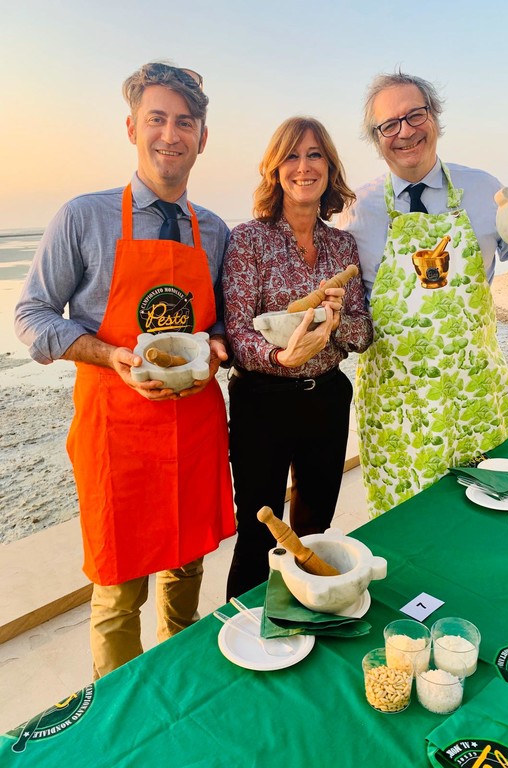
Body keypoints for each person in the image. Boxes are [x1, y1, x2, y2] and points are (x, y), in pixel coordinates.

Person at [14, 62, 236, 677]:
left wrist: (218, 346)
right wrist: (107, 354)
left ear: (202, 138)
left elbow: (218, 321)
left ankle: (179, 682)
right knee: (117, 591)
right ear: (132, 127)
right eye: (157, 119)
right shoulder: (83, 218)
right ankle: (118, 712)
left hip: (192, 428)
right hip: (116, 433)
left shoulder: (214, 231)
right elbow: (31, 316)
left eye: (185, 122)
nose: (171, 134)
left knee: (186, 569)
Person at [338, 71, 508, 517]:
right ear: (376, 138)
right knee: (406, 530)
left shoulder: (484, 190)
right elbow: (349, 311)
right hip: (397, 414)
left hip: (475, 402)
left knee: (478, 526)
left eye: (415, 115)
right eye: (390, 124)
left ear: (435, 117)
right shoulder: (357, 210)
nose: (405, 131)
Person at [223, 116, 373, 599]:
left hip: (326, 399)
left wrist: (336, 322)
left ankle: (308, 615)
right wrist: (280, 357)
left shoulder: (343, 245)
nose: (303, 167)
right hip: (262, 402)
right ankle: (247, 623)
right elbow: (237, 333)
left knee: (315, 529)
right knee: (258, 532)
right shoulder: (248, 240)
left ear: (329, 167)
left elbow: (363, 334)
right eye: (291, 155)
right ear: (274, 168)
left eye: (314, 155)